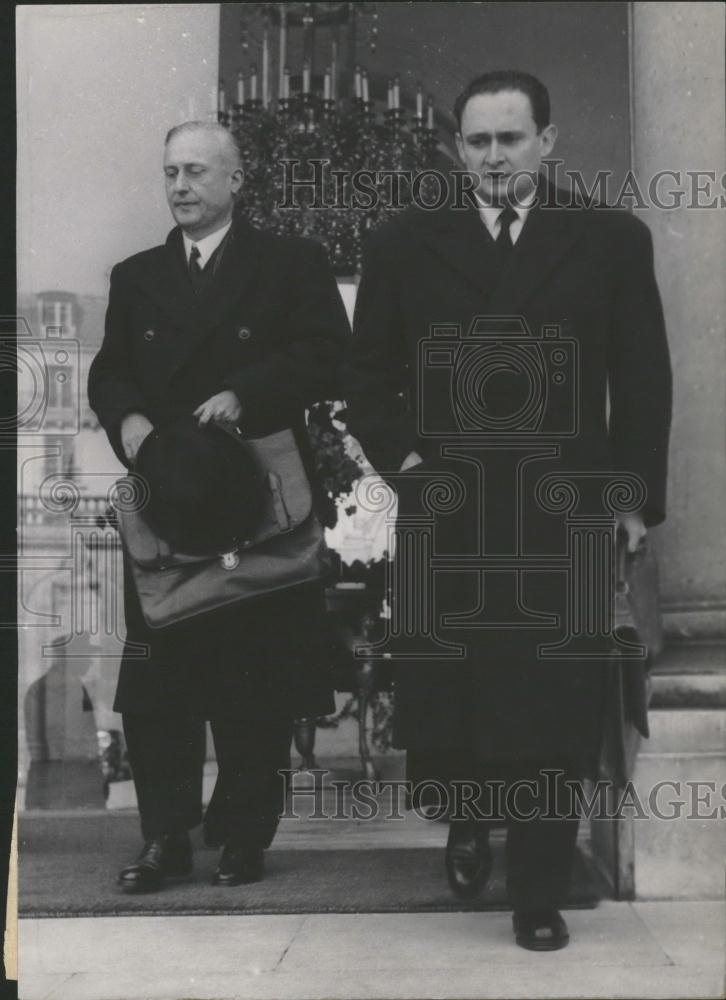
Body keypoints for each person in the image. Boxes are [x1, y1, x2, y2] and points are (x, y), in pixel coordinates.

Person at [345, 71, 672, 950]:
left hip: (558, 509)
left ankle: (537, 889)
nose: (494, 156)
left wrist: (634, 500)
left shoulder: (608, 239)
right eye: (479, 141)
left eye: (512, 139)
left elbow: (641, 384)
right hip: (447, 508)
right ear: (458, 148)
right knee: (449, 696)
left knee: (552, 703)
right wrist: (409, 462)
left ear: (548, 142)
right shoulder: (404, 242)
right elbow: (367, 380)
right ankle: (462, 817)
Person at [88, 121, 350, 892]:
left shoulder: (291, 264)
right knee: (159, 679)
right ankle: (166, 838)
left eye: (197, 171)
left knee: (256, 681)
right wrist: (127, 417)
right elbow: (111, 373)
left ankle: (242, 837)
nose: (180, 186)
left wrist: (248, 393)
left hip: (260, 500)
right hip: (169, 498)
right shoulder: (135, 275)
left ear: (237, 180)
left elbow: (329, 354)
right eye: (170, 171)